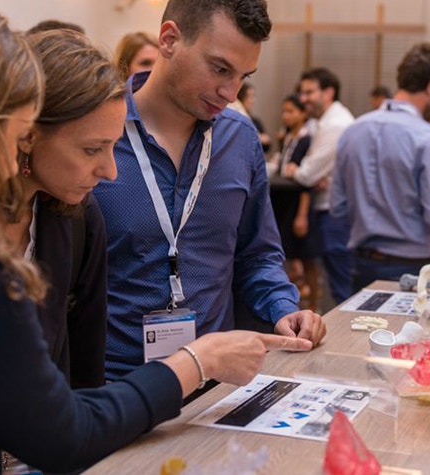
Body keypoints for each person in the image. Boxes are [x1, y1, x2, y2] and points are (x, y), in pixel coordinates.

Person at [0, 2, 313, 474]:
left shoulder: (62, 215)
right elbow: (63, 426)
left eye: (242, 76)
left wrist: (278, 308)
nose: (107, 171)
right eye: (15, 132)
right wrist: (194, 362)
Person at [93, 0, 326, 380]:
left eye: (243, 76)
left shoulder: (239, 141)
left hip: (215, 384)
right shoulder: (99, 134)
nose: (230, 92)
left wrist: (284, 308)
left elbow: (257, 254)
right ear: (169, 39)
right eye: (219, 68)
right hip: (115, 383)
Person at [1, 29, 120, 389]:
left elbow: (86, 372)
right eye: (91, 149)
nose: (110, 172)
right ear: (28, 134)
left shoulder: (80, 220)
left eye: (114, 146)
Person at [332, 42, 430, 291]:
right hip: (414, 269)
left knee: (364, 330)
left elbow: (338, 207)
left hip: (362, 265)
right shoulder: (428, 138)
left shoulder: (353, 131)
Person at [283, 67, 355, 303]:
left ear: (328, 92)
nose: (303, 99)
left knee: (342, 290)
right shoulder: (326, 122)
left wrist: (299, 171)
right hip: (333, 212)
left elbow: (307, 174)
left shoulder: (336, 124)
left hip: (335, 214)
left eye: (309, 92)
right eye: (301, 93)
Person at [271, 94, 321, 310]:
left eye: (291, 111)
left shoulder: (307, 139)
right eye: (284, 111)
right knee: (289, 255)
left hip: (298, 202)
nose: (286, 116)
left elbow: (306, 182)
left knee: (306, 255)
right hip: (283, 200)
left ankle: (315, 304)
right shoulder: (287, 137)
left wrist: (302, 214)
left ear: (303, 114)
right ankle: (294, 303)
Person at [238, 81, 271, 152]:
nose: (252, 100)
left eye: (253, 96)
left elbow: (267, 145)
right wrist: (258, 138)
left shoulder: (255, 120)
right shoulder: (236, 120)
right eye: (249, 97)